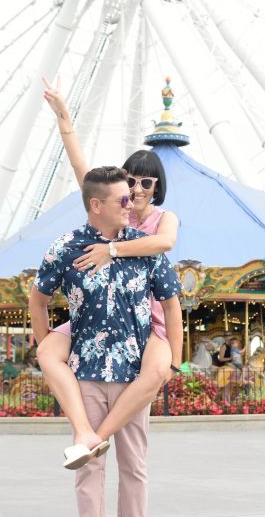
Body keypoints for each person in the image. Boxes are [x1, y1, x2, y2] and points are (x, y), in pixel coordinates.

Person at [30, 166, 183, 517]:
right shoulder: (65, 247)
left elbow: (171, 303)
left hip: (134, 373)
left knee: (134, 464)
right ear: (96, 205)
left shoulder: (145, 247)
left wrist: (174, 361)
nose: (131, 202)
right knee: (89, 467)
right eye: (122, 198)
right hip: (86, 372)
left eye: (132, 195)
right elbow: (39, 298)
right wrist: (47, 348)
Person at [36, 77, 181, 467]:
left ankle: (93, 439)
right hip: (98, 313)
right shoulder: (114, 208)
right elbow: (81, 167)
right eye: (130, 180)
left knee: (155, 374)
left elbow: (162, 245)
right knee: (47, 350)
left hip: (142, 321)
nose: (136, 189)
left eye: (146, 182)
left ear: (157, 186)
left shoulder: (161, 220)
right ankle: (87, 434)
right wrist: (64, 118)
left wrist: (110, 250)